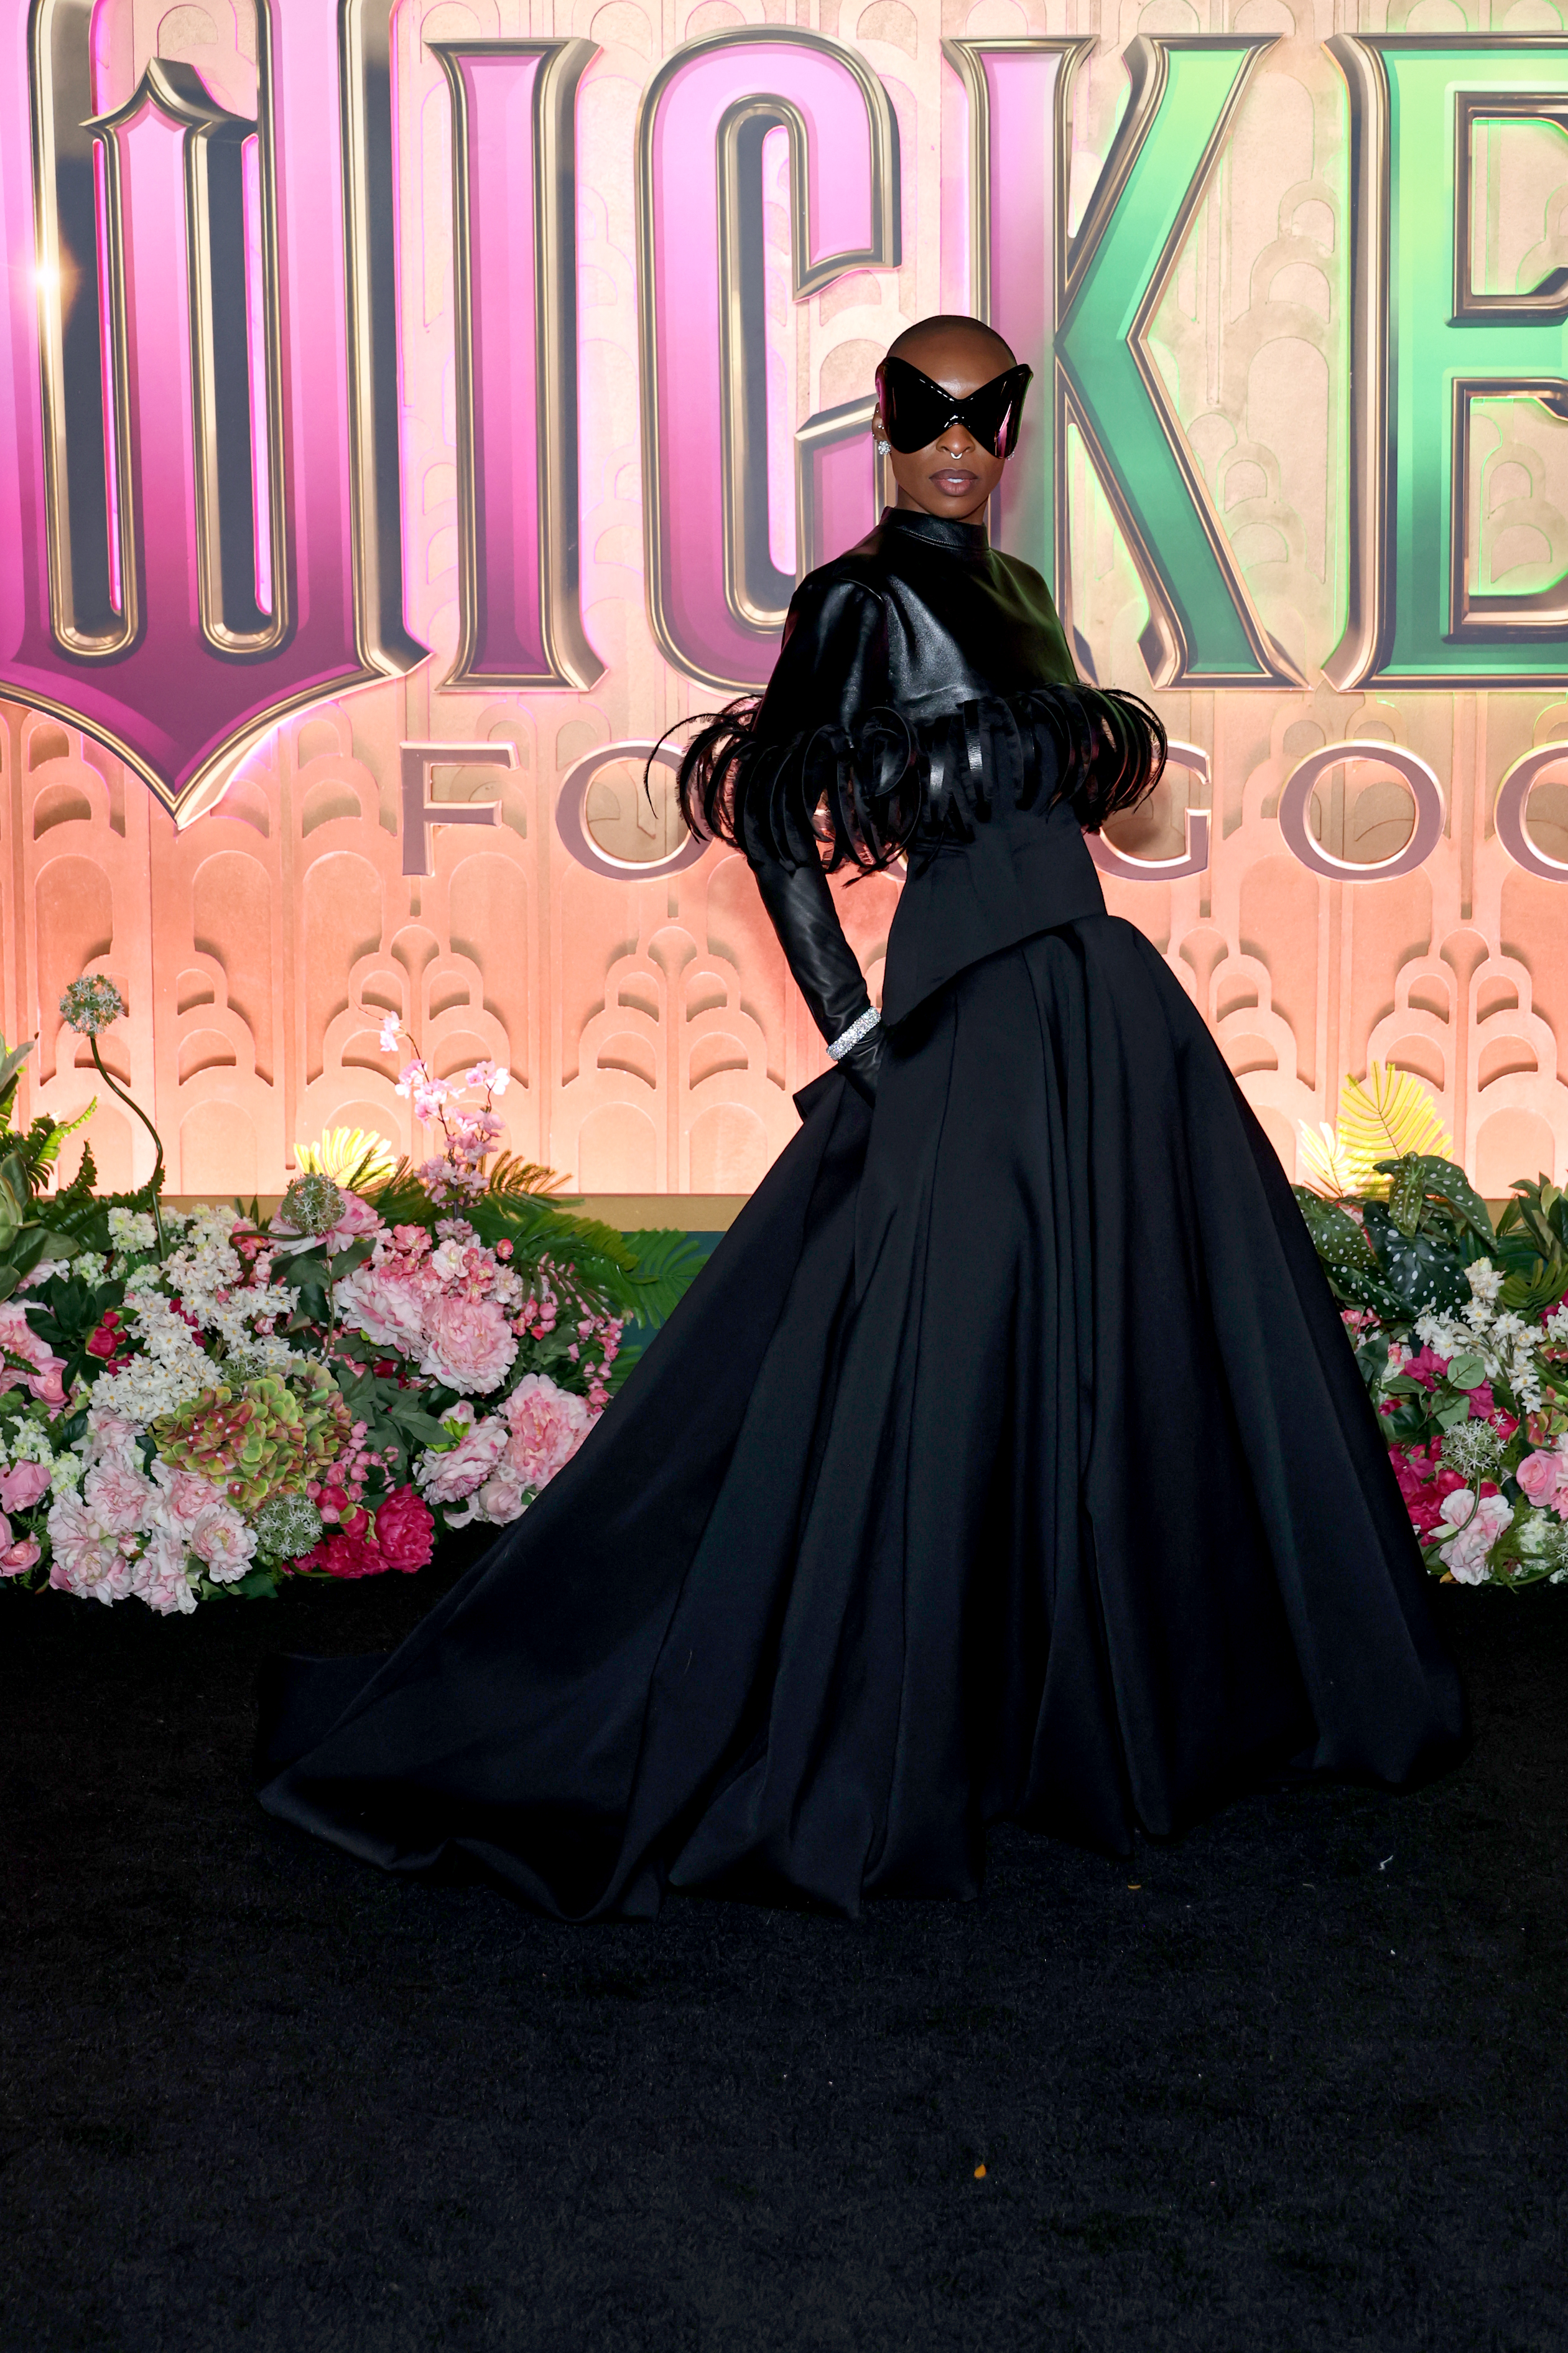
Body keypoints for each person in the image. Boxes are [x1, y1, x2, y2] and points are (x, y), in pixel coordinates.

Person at [260, 315, 1465, 1919]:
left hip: (1104, 1015)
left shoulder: (1023, 594)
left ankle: (1088, 1717)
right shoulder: (853, 599)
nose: (963, 444)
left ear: (1016, 433)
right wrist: (854, 1025)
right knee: (941, 1363)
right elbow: (777, 821)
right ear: (886, 427)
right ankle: (893, 1728)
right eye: (931, 413)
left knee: (1114, 1360)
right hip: (967, 1020)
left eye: (993, 416)